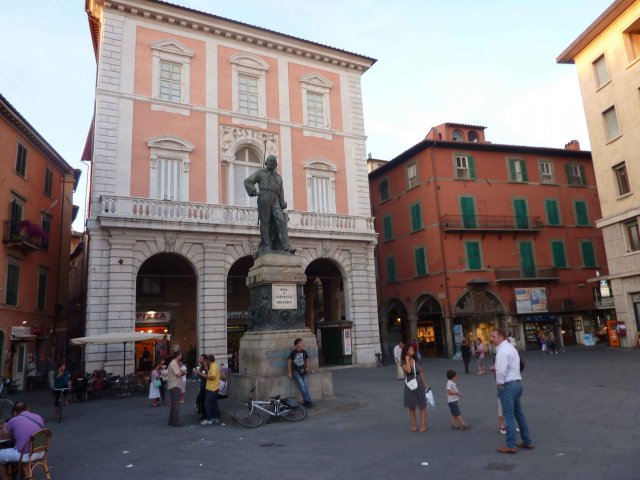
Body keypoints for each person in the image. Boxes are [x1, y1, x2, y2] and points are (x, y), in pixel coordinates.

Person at [490, 328, 534, 454]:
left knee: (508, 416)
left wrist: (499, 384)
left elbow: (502, 371)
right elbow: (514, 365)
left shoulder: (502, 351)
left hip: (508, 386)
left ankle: (511, 445)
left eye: (493, 336)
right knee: (519, 414)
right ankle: (527, 441)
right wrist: (497, 368)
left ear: (500, 337)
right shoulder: (511, 348)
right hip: (517, 383)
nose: (491, 339)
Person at [244, 154, 296, 258]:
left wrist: (282, 202)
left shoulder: (278, 177)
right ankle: (267, 245)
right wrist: (254, 192)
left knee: (281, 221)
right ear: (266, 162)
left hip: (275, 199)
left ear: (276, 164)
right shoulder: (260, 173)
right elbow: (248, 181)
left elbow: (281, 191)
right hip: (264, 196)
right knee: (265, 222)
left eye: (274, 161)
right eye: (270, 161)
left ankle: (286, 246)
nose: (272, 162)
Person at [0, 402, 45, 480]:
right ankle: (25, 475)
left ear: (14, 412)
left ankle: (5, 478)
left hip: (25, 455)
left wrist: (5, 425)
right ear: (27, 409)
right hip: (40, 452)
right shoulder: (38, 417)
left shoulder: (13, 420)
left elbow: (3, 436)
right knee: (22, 446)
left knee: (1, 455)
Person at [401, 343, 427, 432]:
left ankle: (423, 425)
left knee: (422, 404)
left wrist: (425, 384)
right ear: (406, 351)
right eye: (410, 349)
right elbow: (408, 370)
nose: (413, 351)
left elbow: (421, 372)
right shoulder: (403, 362)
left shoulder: (417, 360)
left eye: (413, 349)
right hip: (409, 383)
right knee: (411, 406)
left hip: (419, 382)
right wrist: (407, 360)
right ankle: (414, 425)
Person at [287, 338, 312, 408]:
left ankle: (306, 401)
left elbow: (306, 359)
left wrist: (307, 367)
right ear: (296, 345)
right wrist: (289, 373)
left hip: (304, 371)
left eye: (301, 343)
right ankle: (308, 400)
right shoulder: (293, 352)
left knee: (305, 387)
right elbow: (289, 362)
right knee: (302, 387)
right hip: (296, 371)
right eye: (300, 343)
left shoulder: (304, 352)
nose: (302, 344)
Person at [201, 355, 224, 426]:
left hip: (212, 388)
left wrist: (203, 375)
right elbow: (212, 374)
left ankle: (208, 419)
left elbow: (212, 377)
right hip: (214, 387)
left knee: (207, 403)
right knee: (214, 403)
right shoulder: (214, 366)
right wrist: (206, 369)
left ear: (209, 361)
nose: (206, 362)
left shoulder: (213, 366)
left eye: (207, 360)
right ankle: (215, 417)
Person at [167, 351, 185, 427]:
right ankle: (175, 421)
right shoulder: (174, 363)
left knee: (174, 404)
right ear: (178, 356)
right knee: (176, 404)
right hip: (175, 385)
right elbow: (178, 374)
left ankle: (171, 420)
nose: (181, 357)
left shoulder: (174, 363)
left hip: (173, 385)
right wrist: (184, 372)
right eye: (180, 355)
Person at [193, 354, 208, 420]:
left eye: (201, 358)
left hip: (206, 386)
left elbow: (207, 376)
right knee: (202, 400)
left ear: (204, 359)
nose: (199, 360)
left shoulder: (207, 366)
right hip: (202, 385)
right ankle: (203, 415)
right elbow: (201, 376)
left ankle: (206, 415)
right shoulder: (201, 367)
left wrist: (198, 373)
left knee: (204, 401)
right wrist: (196, 373)